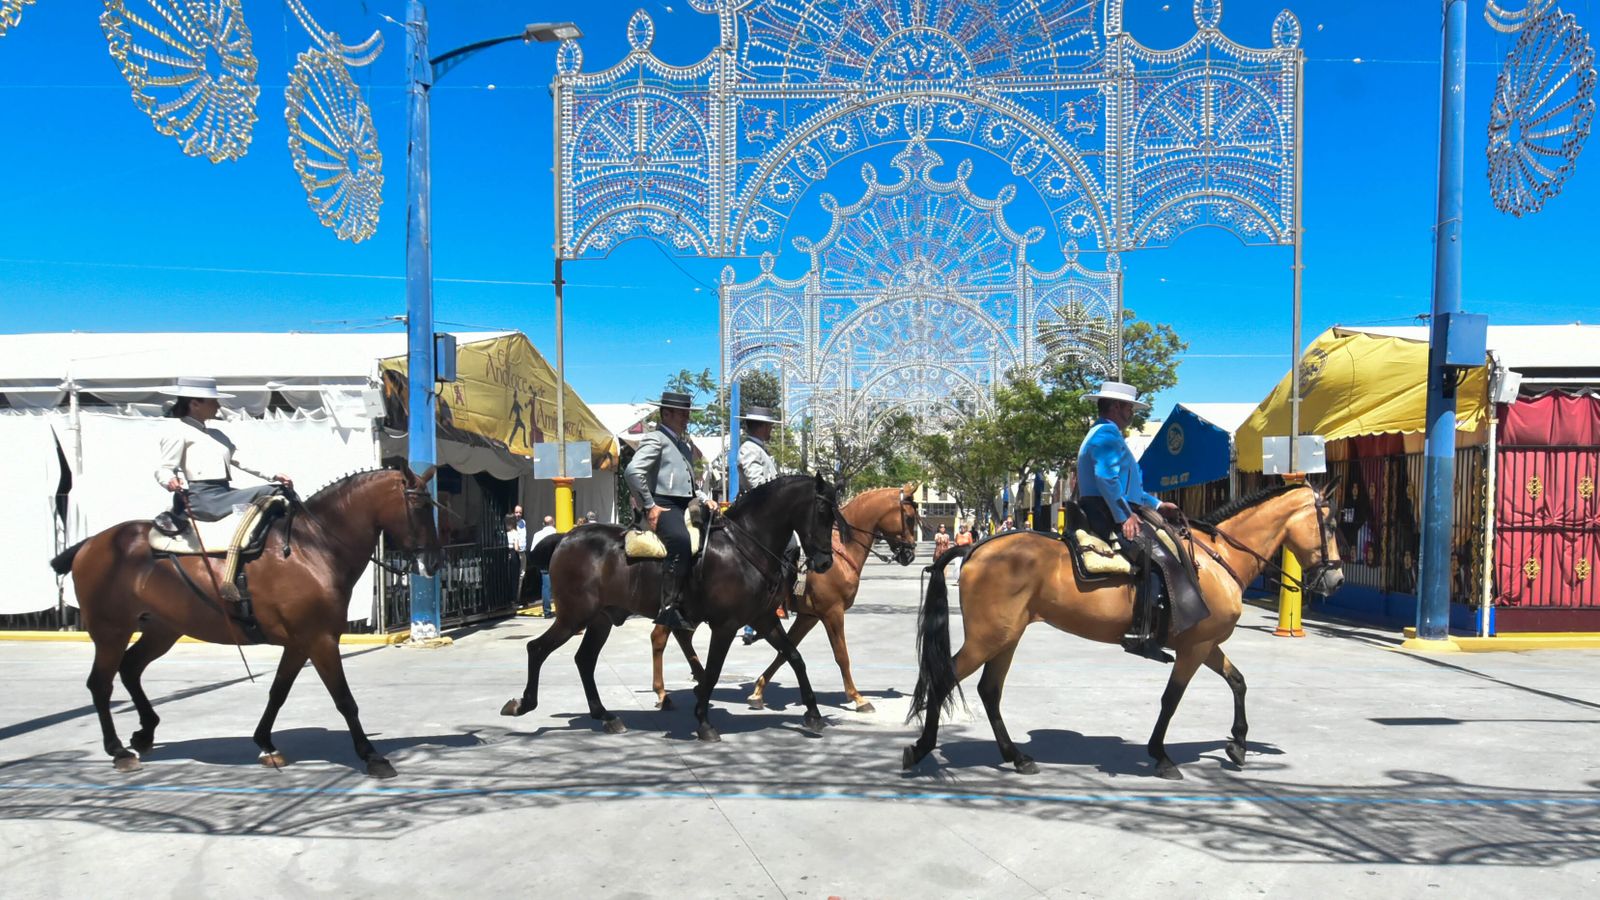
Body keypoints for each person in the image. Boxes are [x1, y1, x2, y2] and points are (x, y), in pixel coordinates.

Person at [1076, 380, 1197, 663]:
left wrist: (1156, 504)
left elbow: (1130, 488)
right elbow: (1107, 479)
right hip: (1105, 511)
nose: (1132, 412)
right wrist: (1124, 515)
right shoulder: (1107, 435)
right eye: (1129, 407)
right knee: (1157, 560)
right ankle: (1140, 635)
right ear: (1117, 407)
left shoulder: (1105, 434)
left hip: (1112, 506)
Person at [152, 377, 293, 536]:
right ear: (195, 404)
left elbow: (240, 459)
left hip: (224, 494)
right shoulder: (178, 432)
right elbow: (164, 469)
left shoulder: (217, 434)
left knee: (269, 501)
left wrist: (273, 474)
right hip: (203, 501)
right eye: (213, 402)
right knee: (275, 492)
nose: (218, 406)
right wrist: (169, 481)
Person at [624, 391, 702, 630]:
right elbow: (632, 471)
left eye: (687, 413)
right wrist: (649, 505)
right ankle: (668, 608)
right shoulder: (655, 438)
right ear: (666, 413)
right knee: (680, 540)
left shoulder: (684, 446)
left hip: (686, 504)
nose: (686, 418)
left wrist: (704, 500)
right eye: (682, 413)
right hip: (663, 504)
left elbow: (688, 484)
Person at [735, 405, 789, 644]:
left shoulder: (761, 450)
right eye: (770, 426)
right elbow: (757, 483)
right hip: (756, 515)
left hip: (767, 514)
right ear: (762, 426)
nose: (772, 431)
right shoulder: (748, 449)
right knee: (790, 545)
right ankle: (780, 599)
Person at [529, 515, 557, 617]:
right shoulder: (556, 533)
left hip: (544, 562)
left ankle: (547, 611)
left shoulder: (537, 535)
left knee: (546, 587)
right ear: (553, 522)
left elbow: (533, 550)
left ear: (543, 524)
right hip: (556, 561)